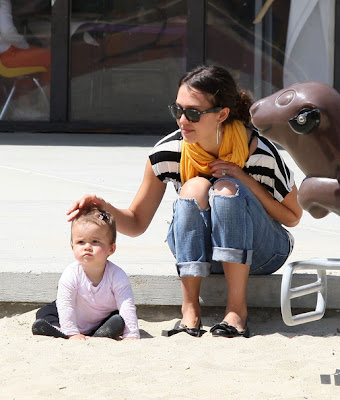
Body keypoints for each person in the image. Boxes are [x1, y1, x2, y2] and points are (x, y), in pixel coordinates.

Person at [67, 65, 303, 338]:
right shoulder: (168, 152)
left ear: (222, 114)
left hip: (262, 253)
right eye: (177, 110)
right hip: (201, 255)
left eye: (193, 113)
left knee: (227, 189)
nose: (182, 120)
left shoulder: (260, 152)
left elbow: (292, 217)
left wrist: (243, 178)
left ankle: (237, 310)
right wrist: (103, 206)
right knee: (194, 188)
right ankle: (190, 310)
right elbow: (137, 222)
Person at [32, 206, 140, 340]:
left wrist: (131, 334)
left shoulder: (117, 276)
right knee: (45, 312)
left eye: (95, 241)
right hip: (71, 318)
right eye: (80, 242)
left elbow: (126, 305)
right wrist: (72, 332)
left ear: (111, 248)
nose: (87, 247)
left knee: (118, 318)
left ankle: (101, 333)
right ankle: (59, 329)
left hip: (101, 321)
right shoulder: (71, 274)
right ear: (73, 247)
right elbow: (65, 304)